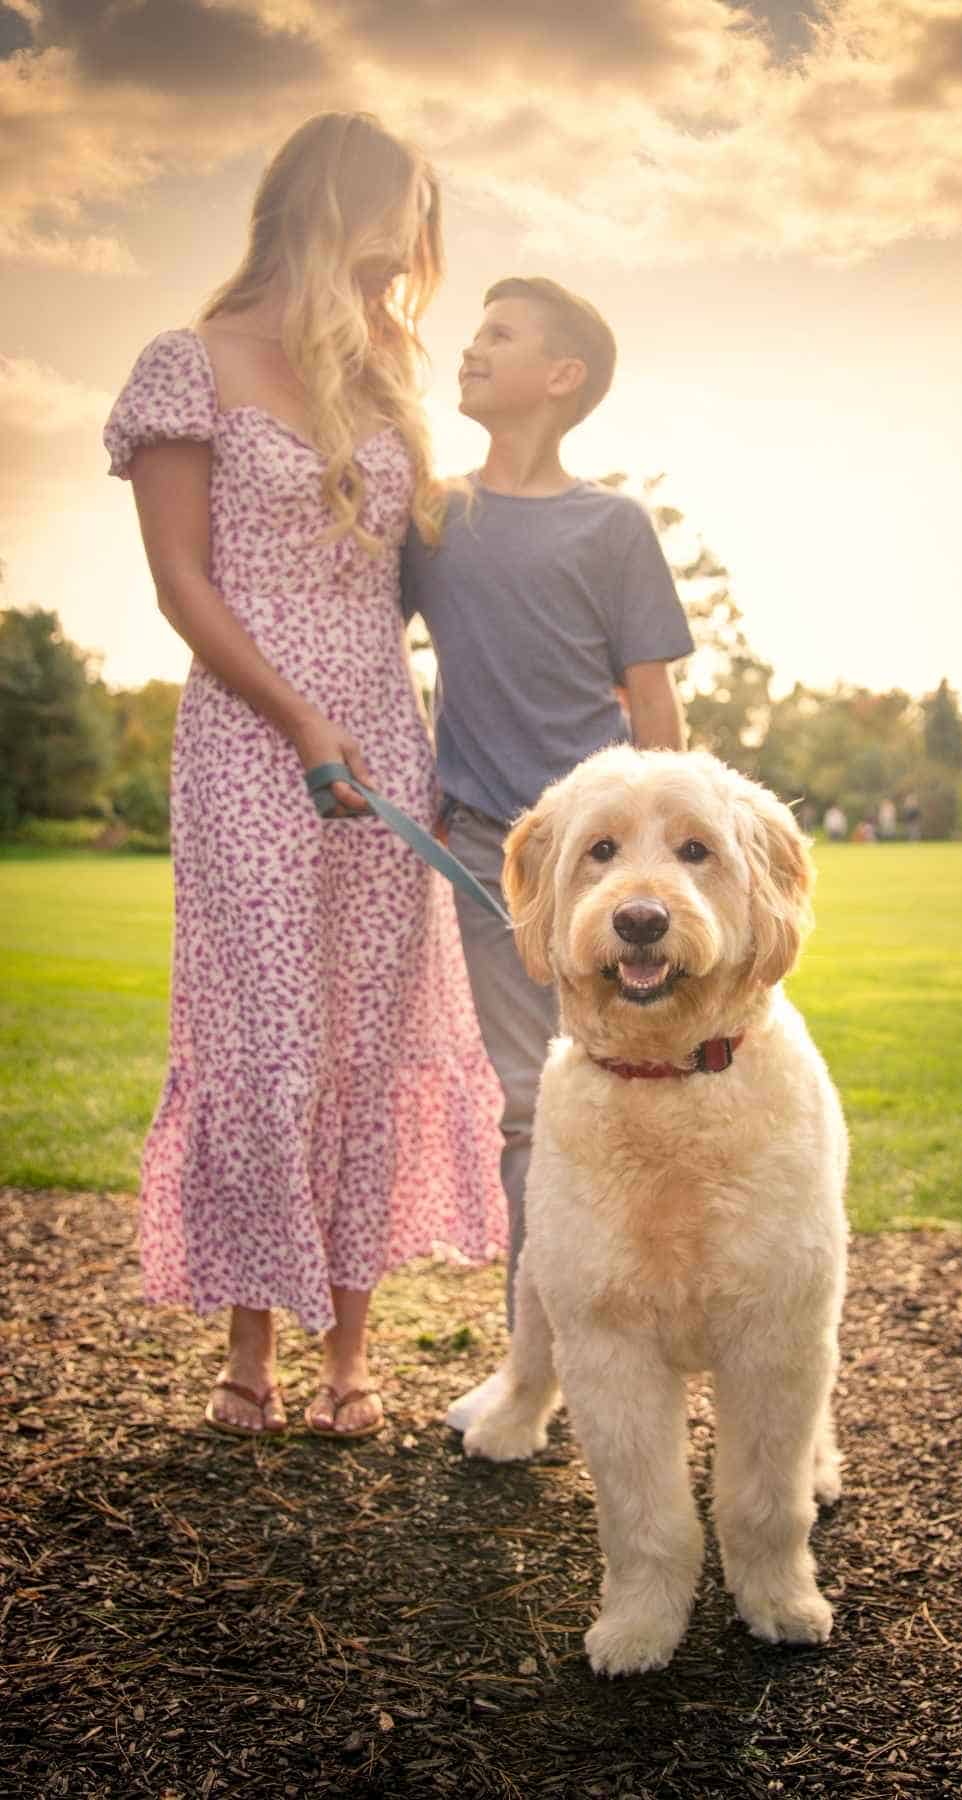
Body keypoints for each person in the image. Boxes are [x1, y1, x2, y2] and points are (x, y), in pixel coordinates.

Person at [103, 112, 506, 1441]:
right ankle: (245, 1360)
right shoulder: (189, 364)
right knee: (270, 1043)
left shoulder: (389, 369)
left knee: (365, 1043)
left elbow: (420, 579)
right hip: (246, 735)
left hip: (384, 741)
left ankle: (347, 1362)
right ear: (326, 205)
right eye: (395, 211)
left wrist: (455, 739)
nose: (410, 246)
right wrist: (299, 721)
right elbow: (181, 585)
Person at [400, 276, 693, 1430]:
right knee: (530, 1110)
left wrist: (658, 872)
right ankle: (541, 1367)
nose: (469, 351)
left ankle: (663, 1314)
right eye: (471, 334)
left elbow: (654, 709)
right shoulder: (433, 520)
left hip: (603, 867)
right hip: (491, 865)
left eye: (499, 337)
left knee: (643, 1097)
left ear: (561, 377)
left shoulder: (613, 526)